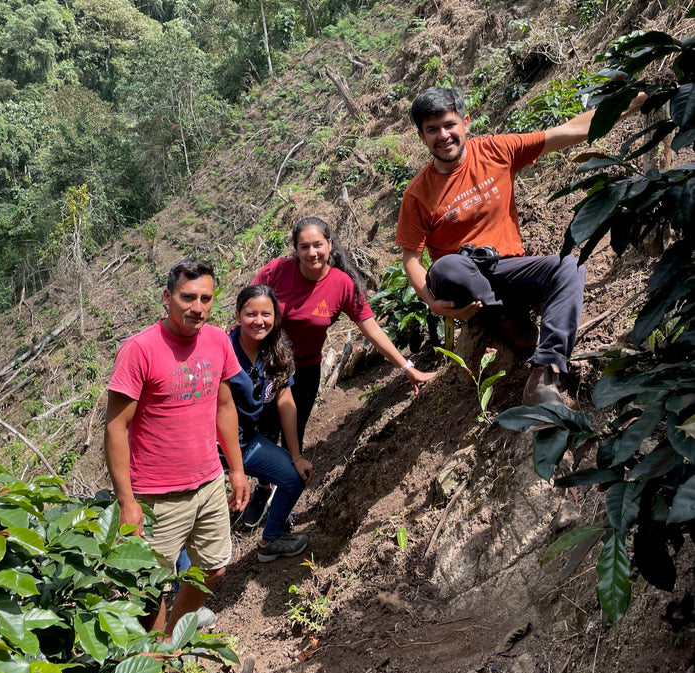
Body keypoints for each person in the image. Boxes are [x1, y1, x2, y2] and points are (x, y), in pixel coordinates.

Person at [396, 86, 646, 406]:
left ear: (465, 122)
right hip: (462, 280)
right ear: (422, 137)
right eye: (432, 130)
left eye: (449, 125)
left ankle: (544, 372)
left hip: (507, 265)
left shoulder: (496, 150)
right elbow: (412, 259)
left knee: (568, 266)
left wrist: (628, 104)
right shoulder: (417, 194)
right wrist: (431, 301)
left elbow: (568, 130)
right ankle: (508, 318)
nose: (443, 135)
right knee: (446, 267)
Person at [243, 216, 435, 527]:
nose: (312, 252)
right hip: (266, 368)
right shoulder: (277, 271)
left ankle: (284, 495)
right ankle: (263, 487)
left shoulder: (341, 284)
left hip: (304, 370)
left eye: (318, 245)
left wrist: (406, 366)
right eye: (304, 247)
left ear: (330, 244)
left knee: (295, 434)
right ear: (295, 250)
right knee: (264, 430)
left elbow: (371, 328)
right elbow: (249, 310)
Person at [104, 259, 250, 639]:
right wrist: (127, 502)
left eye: (205, 298)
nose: (197, 308)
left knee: (215, 567)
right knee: (150, 585)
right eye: (187, 297)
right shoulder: (140, 350)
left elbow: (223, 407)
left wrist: (235, 469)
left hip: (208, 483)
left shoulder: (218, 340)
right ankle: (151, 659)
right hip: (156, 495)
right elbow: (116, 427)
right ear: (167, 297)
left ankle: (170, 637)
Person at [226, 284, 314, 561]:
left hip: (246, 442)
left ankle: (271, 539)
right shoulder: (223, 349)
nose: (259, 321)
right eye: (251, 314)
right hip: (210, 450)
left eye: (266, 314)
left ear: (275, 316)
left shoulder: (275, 350)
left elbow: (285, 403)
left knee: (293, 476)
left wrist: (296, 455)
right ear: (239, 315)